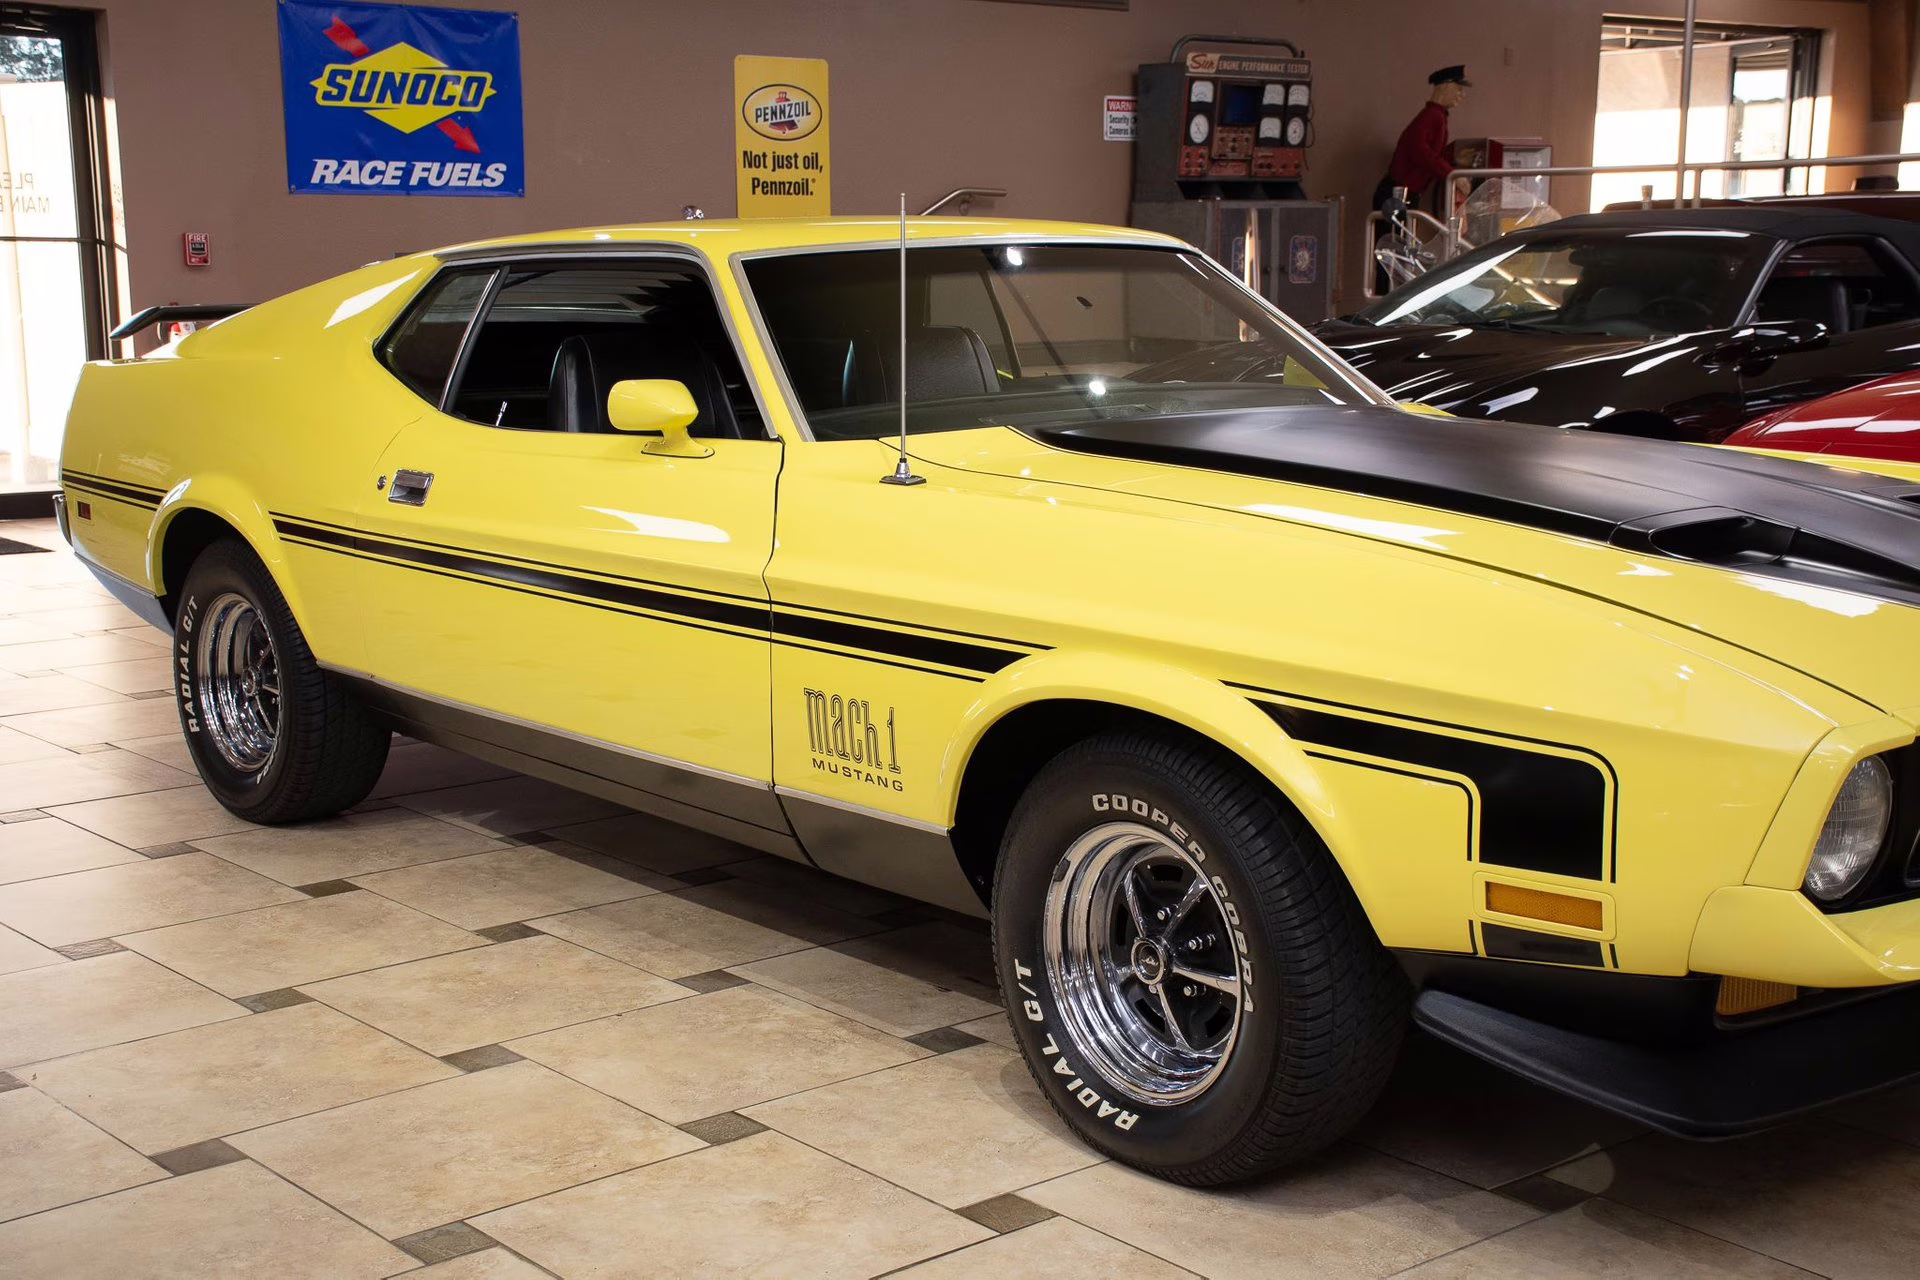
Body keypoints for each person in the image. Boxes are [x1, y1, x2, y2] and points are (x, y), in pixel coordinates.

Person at [1371, 65, 1471, 292]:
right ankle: (1386, 298)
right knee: (1392, 255)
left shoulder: (1437, 117)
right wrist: (1450, 174)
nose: (1461, 95)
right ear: (1445, 87)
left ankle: (1391, 295)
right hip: (1397, 194)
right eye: (1458, 89)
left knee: (1400, 253)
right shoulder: (1431, 117)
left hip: (1407, 194)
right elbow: (1421, 152)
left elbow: (1432, 153)